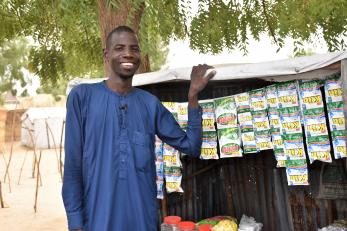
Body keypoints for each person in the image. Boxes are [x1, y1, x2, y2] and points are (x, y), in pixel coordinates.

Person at [62, 25, 216, 231]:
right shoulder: (82, 97)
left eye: (134, 48)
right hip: (98, 219)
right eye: (119, 48)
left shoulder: (149, 104)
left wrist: (193, 96)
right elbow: (73, 166)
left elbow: (191, 146)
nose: (128, 53)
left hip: (142, 219)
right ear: (106, 54)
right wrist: (75, 221)